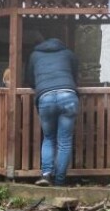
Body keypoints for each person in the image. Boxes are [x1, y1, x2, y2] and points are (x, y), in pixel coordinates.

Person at [24, 36, 80, 187]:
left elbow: (29, 79)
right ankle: (59, 182)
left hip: (45, 97)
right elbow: (75, 77)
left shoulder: (35, 55)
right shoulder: (68, 54)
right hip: (68, 95)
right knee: (65, 142)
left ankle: (46, 175)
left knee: (48, 138)